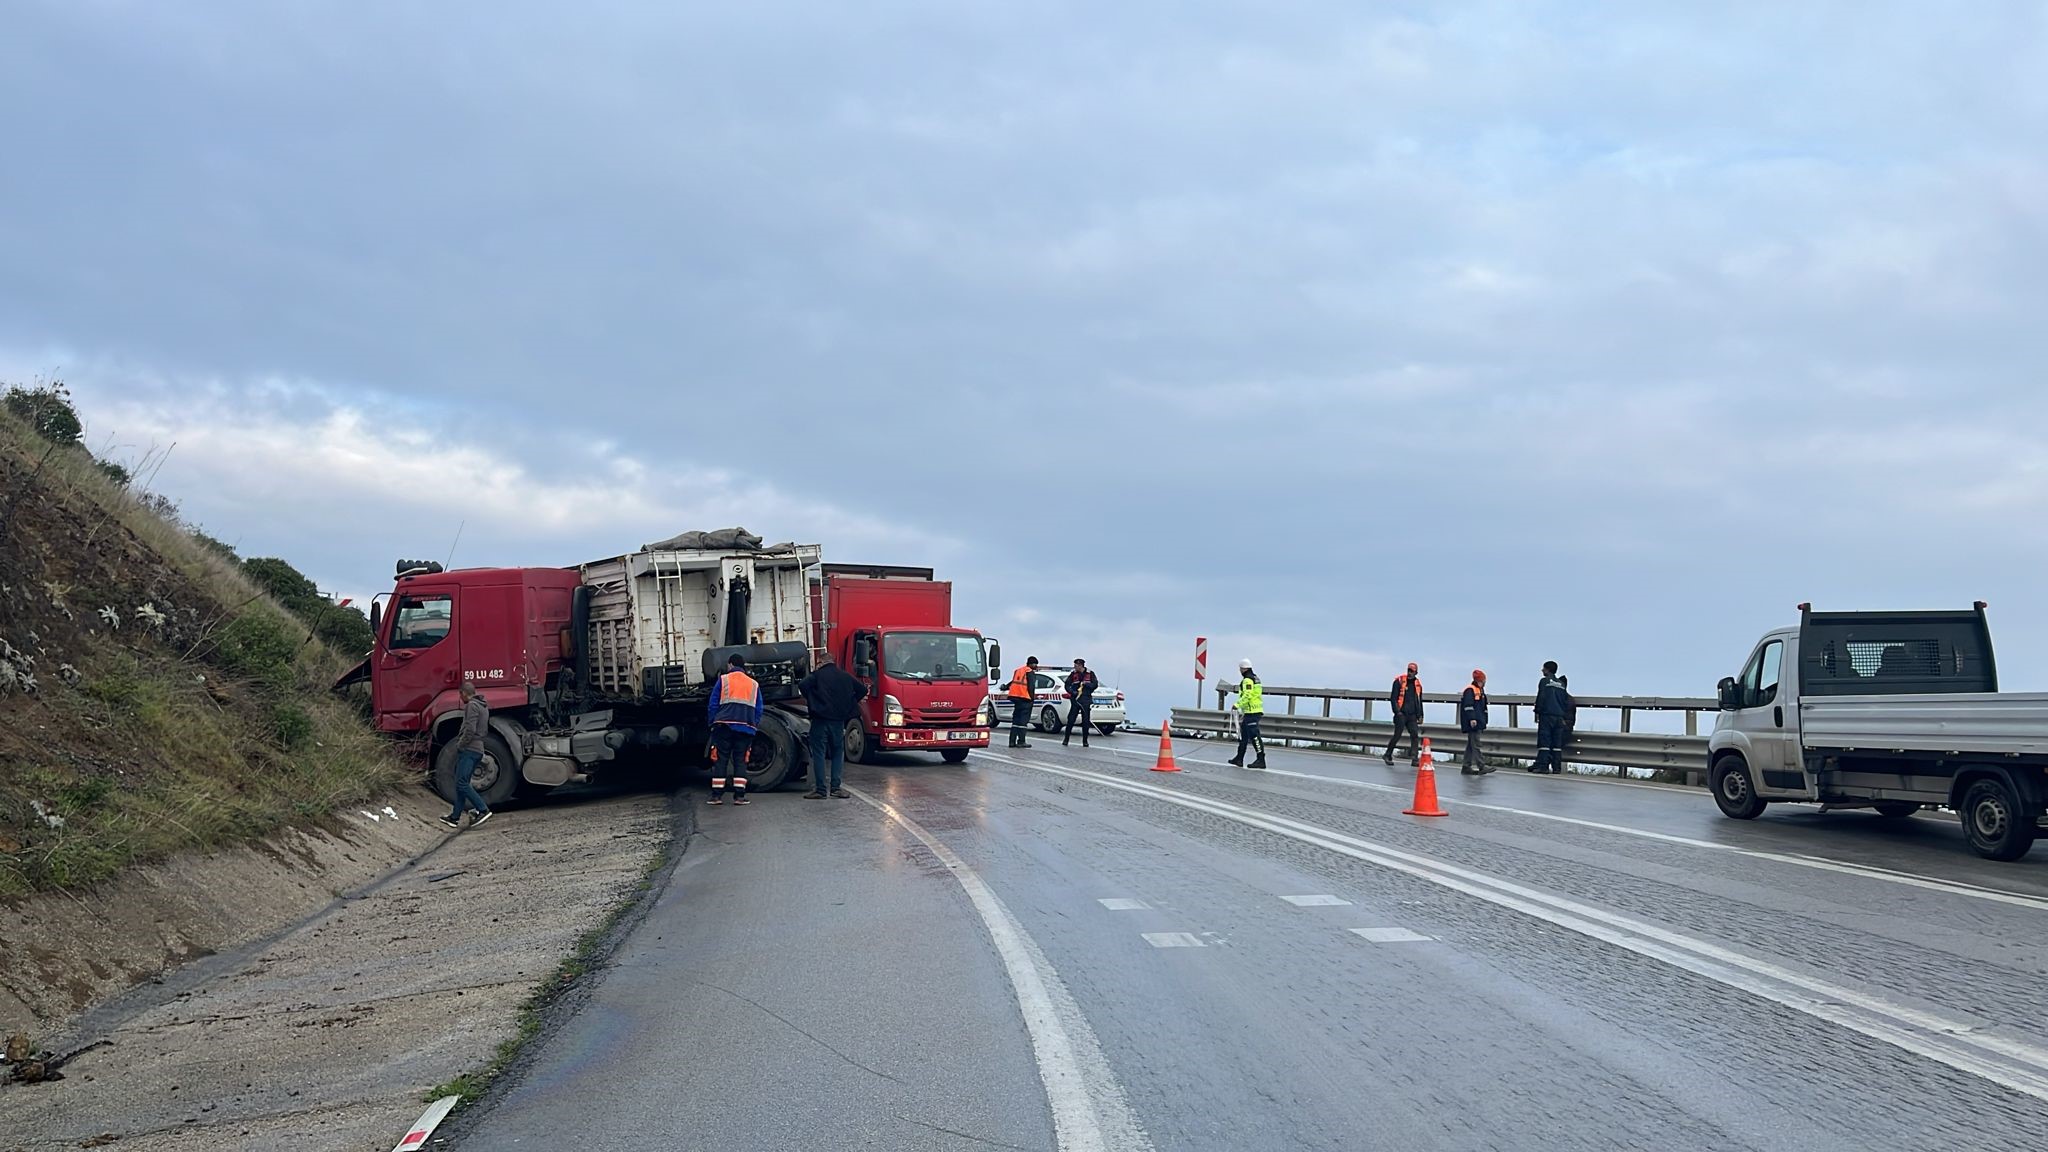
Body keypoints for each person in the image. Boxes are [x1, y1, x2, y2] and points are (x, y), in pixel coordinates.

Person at [799, 653, 867, 799]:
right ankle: (836, 788)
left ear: (821, 662)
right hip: (838, 721)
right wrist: (849, 703)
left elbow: (802, 685)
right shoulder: (845, 676)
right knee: (837, 753)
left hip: (820, 720)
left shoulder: (817, 675)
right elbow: (862, 690)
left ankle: (821, 790)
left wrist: (813, 699)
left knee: (819, 753)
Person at [706, 654, 763, 804]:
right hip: (745, 729)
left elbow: (713, 704)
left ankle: (716, 796)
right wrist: (753, 725)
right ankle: (739, 796)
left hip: (723, 726)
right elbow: (759, 709)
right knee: (740, 761)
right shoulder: (753, 684)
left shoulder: (724, 680)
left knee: (721, 760)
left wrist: (712, 722)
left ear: (730, 665)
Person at [440, 681, 494, 829]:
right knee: (461, 784)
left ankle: (482, 809)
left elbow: (470, 728)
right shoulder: (483, 706)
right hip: (478, 748)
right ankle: (454, 817)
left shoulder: (472, 706)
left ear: (463, 693)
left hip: (470, 749)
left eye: (460, 694)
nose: (460, 697)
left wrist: (461, 744)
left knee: (462, 784)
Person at [1532, 661, 1571, 774]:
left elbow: (1542, 697)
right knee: (1556, 743)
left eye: (1543, 668)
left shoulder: (1544, 681)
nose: (1542, 670)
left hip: (1547, 715)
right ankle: (1556, 767)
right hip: (1559, 717)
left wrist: (1537, 711)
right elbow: (1565, 701)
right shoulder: (1561, 684)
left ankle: (1543, 766)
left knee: (1545, 741)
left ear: (1547, 669)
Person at [1228, 659, 1267, 769]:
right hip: (1252, 711)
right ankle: (1239, 758)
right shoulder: (1256, 678)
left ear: (1243, 668)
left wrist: (1237, 704)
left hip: (1252, 712)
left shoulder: (1247, 680)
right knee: (1244, 735)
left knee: (1255, 736)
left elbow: (1248, 695)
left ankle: (1261, 760)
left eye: (1240, 669)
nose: (1240, 671)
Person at [1383, 662, 1424, 766]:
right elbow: (1393, 698)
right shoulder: (1399, 681)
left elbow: (1419, 700)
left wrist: (1420, 715)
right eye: (1408, 670)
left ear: (1416, 672)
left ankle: (1414, 758)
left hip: (1412, 715)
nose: (1409, 673)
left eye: (1412, 671)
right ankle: (1388, 754)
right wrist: (1397, 712)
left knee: (1414, 734)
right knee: (1397, 735)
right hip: (1401, 713)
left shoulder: (1418, 684)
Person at [1458, 670, 1495, 776]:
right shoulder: (1471, 690)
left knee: (1471, 745)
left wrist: (1484, 721)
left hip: (1478, 722)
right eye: (1483, 680)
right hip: (1473, 723)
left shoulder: (1480, 691)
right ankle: (1481, 766)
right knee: (1476, 744)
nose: (1484, 682)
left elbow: (1483, 708)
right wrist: (1472, 719)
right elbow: (1468, 706)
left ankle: (1466, 766)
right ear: (1480, 680)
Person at [1061, 658, 1100, 747]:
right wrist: (1072, 692)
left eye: (1076, 666)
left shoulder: (1090, 674)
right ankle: (1066, 739)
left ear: (1081, 665)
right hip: (1076, 700)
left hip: (1086, 699)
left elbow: (1095, 685)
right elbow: (1067, 685)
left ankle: (1085, 741)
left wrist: (1087, 685)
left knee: (1086, 721)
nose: (1075, 667)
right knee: (1071, 719)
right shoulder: (1073, 674)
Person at [1005, 656, 1040, 747]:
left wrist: (1004, 687)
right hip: (1025, 698)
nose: (1036, 666)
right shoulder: (1029, 672)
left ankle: (1012, 742)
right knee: (1023, 721)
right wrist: (1032, 699)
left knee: (1016, 720)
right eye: (1035, 664)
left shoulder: (1019, 670)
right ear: (1032, 664)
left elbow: (1013, 682)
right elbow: (1031, 686)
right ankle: (1021, 741)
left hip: (1015, 698)